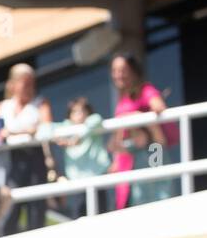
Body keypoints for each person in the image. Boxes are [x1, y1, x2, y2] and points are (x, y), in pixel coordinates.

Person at [0, 63, 55, 235]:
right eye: (25, 82)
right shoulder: (2, 106)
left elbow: (46, 127)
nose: (30, 87)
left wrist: (12, 132)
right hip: (8, 164)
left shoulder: (40, 103)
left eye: (31, 83)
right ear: (13, 84)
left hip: (34, 162)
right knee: (9, 211)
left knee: (36, 211)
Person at [108, 52, 173, 211]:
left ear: (133, 70)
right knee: (136, 202)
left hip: (152, 148)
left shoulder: (145, 90)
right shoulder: (123, 99)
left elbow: (159, 107)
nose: (118, 75)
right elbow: (116, 139)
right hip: (131, 157)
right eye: (114, 70)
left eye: (122, 70)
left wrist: (137, 118)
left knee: (159, 195)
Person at [55, 97, 110, 216]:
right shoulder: (65, 129)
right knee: (79, 216)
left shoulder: (93, 124)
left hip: (97, 179)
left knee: (102, 216)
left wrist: (78, 137)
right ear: (69, 115)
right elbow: (47, 129)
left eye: (82, 111)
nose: (79, 114)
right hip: (77, 183)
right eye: (74, 111)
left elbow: (96, 119)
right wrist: (57, 137)